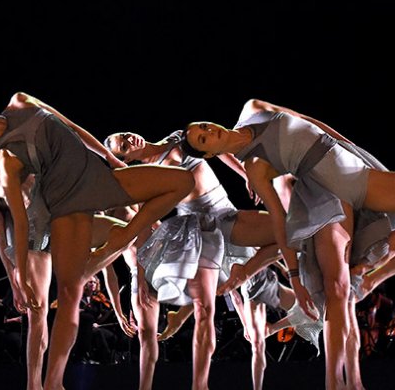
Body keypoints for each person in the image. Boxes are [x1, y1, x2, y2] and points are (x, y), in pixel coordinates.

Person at [183, 99, 395, 390]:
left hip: (355, 169)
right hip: (329, 193)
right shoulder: (256, 166)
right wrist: (293, 276)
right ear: (210, 152)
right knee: (337, 290)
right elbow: (280, 223)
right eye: (203, 139)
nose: (209, 130)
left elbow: (309, 120)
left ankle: (375, 262)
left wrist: (351, 147)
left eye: (204, 126)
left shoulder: (252, 108)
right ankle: (336, 383)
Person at [0, 92, 194, 390]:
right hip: (65, 205)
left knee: (181, 181)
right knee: (67, 297)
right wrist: (17, 273)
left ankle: (123, 238)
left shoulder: (20, 100)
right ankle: (50, 383)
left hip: (98, 177)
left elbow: (72, 127)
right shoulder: (5, 159)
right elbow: (17, 223)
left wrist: (112, 159)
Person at [105, 129, 278, 390]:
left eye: (127, 135)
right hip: (200, 227)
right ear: (127, 159)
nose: (131, 140)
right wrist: (139, 278)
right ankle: (200, 384)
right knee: (204, 308)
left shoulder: (178, 137)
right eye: (125, 146)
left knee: (289, 232)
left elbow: (218, 150)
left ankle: (243, 283)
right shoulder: (146, 177)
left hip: (225, 211)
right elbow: (142, 229)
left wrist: (246, 174)